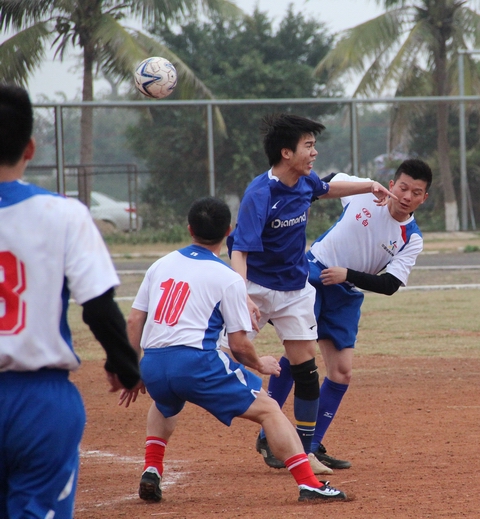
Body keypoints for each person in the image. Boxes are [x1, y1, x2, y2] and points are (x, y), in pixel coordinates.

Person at [119, 196, 349, 504]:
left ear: (189, 229)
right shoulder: (228, 277)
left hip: (154, 362)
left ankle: (151, 468)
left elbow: (134, 320)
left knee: (165, 401)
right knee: (269, 410)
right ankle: (309, 484)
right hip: (197, 363)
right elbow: (239, 346)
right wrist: (260, 363)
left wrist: (132, 369)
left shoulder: (160, 265)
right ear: (229, 232)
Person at [0, 84, 141, 519]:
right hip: (37, 403)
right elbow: (97, 305)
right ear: (30, 147)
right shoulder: (62, 214)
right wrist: (124, 365)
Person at [227, 113, 394, 472]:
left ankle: (303, 452)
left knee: (306, 371)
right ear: (286, 153)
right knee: (218, 354)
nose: (315, 152)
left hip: (295, 289)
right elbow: (239, 250)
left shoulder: (305, 181)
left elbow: (326, 189)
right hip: (256, 288)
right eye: (308, 145)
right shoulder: (260, 194)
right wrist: (241, 294)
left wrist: (369, 186)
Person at [261, 159, 432, 470]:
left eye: (416, 192)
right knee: (301, 353)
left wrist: (348, 275)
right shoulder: (365, 191)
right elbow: (319, 184)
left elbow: (390, 284)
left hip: (346, 291)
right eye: (403, 188)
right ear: (392, 185)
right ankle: (268, 436)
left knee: (341, 372)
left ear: (424, 198)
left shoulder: (412, 237)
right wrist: (297, 212)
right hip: (313, 275)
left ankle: (310, 446)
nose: (407, 196)